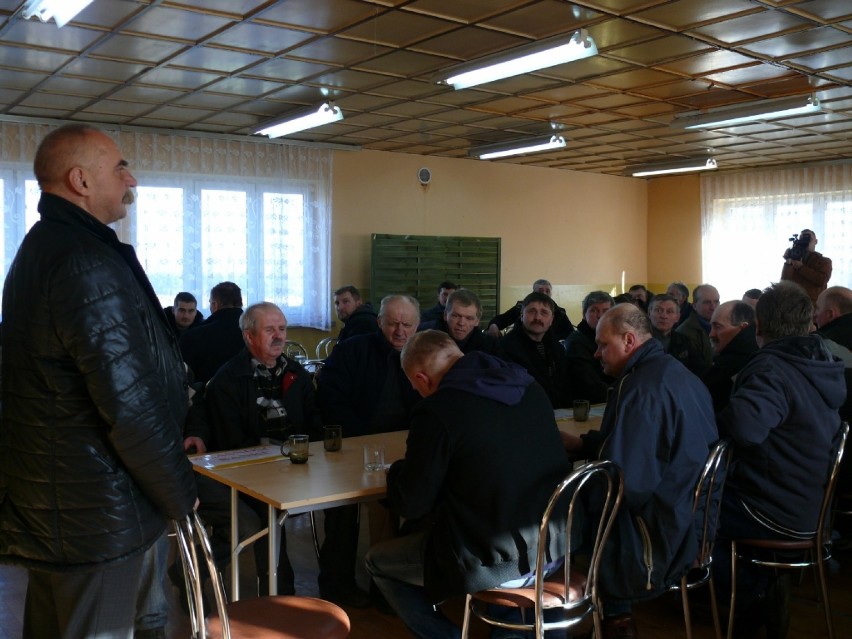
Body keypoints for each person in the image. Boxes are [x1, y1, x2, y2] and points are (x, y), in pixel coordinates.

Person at [0, 124, 197, 638]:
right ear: (81, 180)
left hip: (70, 505)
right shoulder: (83, 262)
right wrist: (178, 491)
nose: (131, 179)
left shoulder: (49, 247)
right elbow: (130, 405)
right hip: (95, 514)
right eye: (120, 167)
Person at [365, 330, 571, 639]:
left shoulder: (439, 409)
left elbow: (412, 502)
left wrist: (397, 471)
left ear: (421, 379)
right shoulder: (526, 384)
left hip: (498, 561)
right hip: (556, 546)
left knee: (377, 561)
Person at [564, 304, 718, 637]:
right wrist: (585, 445)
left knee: (558, 517)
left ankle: (598, 616)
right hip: (693, 522)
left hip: (656, 538)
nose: (595, 353)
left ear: (629, 340)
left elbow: (628, 486)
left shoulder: (642, 390)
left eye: (603, 344)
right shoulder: (675, 373)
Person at [714, 281, 845, 637]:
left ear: (758, 326)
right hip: (812, 507)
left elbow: (744, 429)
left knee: (693, 507)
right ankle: (763, 588)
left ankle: (752, 596)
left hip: (773, 512)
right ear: (809, 324)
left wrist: (717, 417)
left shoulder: (772, 368)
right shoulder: (819, 361)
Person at [201, 302, 322, 596]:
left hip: (294, 467)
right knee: (264, 516)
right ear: (249, 336)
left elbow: (314, 423)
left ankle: (333, 585)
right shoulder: (228, 379)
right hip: (245, 473)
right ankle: (279, 593)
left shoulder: (297, 374)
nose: (279, 336)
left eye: (282, 329)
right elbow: (232, 441)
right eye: (270, 330)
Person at [317, 294, 423, 607]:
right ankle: (337, 585)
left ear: (417, 326)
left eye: (407, 324)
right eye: (393, 323)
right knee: (342, 510)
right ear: (379, 323)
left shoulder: (422, 353)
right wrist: (360, 439)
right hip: (352, 446)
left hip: (407, 447)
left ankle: (392, 590)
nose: (400, 331)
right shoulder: (353, 349)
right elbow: (330, 399)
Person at [495, 291, 572, 408]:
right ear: (521, 315)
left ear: (551, 320)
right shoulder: (506, 348)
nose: (537, 317)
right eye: (531, 311)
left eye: (544, 313)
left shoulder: (556, 348)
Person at [179, 281, 244, 384]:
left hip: (207, 397)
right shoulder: (256, 332)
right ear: (240, 303)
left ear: (215, 305)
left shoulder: (192, 337)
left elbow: (182, 380)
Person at [702, 300, 759, 414]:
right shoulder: (755, 355)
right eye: (711, 326)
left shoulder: (731, 367)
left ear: (743, 327)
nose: (711, 334)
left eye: (718, 327)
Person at [563, 290, 614, 404]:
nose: (600, 315)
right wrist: (618, 396)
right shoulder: (576, 342)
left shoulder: (613, 338)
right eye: (593, 310)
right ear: (584, 315)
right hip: (588, 405)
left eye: (606, 311)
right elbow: (588, 383)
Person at [486, 278, 574, 340]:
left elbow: (570, 333)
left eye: (547, 291)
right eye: (540, 290)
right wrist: (493, 326)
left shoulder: (559, 312)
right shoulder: (520, 307)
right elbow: (501, 320)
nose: (544, 294)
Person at [420, 289, 496, 354]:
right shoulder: (424, 337)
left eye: (469, 318)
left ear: (477, 321)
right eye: (456, 316)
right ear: (445, 315)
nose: (461, 323)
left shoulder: (489, 346)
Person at [675, 284, 720, 376]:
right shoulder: (684, 333)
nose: (713, 307)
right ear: (694, 306)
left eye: (716, 301)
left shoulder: (724, 326)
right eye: (707, 302)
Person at [780, 228, 832, 304]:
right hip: (793, 303)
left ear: (816, 241)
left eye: (808, 239)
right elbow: (784, 282)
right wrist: (788, 262)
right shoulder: (794, 257)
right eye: (801, 239)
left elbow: (822, 280)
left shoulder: (824, 261)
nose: (805, 242)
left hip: (812, 305)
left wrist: (801, 267)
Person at [647, 293, 695, 371]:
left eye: (669, 311)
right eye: (658, 310)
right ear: (649, 313)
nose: (663, 316)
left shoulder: (685, 342)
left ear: (677, 317)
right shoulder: (639, 341)